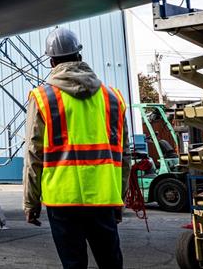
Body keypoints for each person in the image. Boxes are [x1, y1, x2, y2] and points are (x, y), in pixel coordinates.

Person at [23, 28, 130, 269]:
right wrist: (119, 200)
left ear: (51, 61)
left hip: (62, 201)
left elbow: (33, 154)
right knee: (112, 263)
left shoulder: (42, 97)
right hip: (103, 199)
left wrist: (31, 203)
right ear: (80, 56)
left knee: (73, 264)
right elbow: (125, 155)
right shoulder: (112, 97)